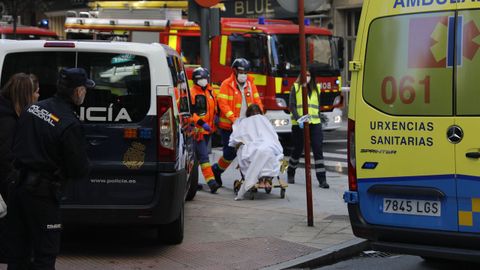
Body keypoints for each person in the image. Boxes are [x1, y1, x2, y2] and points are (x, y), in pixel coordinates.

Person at [7, 68, 93, 270]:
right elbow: (78, 169)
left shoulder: (33, 109)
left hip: (17, 188)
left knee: (18, 252)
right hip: (43, 196)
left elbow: (15, 145)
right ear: (78, 91)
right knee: (45, 253)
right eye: (84, 90)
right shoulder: (69, 124)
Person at [0, 73, 39, 263]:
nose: (38, 96)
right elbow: (6, 159)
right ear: (25, 95)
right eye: (36, 92)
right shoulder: (7, 120)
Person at [211, 58, 264, 186]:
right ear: (235, 71)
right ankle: (217, 170)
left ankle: (246, 179)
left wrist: (260, 116)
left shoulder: (250, 84)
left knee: (246, 153)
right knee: (229, 154)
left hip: (248, 126)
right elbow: (223, 104)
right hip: (230, 127)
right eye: (241, 71)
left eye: (246, 72)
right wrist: (233, 119)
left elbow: (257, 101)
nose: (243, 74)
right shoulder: (226, 84)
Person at [229, 104, 283, 200]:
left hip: (261, 145)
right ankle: (265, 179)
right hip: (261, 145)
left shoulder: (250, 122)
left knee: (263, 152)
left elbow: (236, 138)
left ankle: (264, 179)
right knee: (265, 152)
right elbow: (272, 135)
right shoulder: (258, 121)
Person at [287, 70, 329, 189]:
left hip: (315, 123)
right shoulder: (296, 87)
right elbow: (292, 105)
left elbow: (317, 106)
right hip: (299, 124)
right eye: (305, 75)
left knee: (317, 148)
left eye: (309, 75)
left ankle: (322, 179)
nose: (307, 77)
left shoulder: (317, 88)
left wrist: (320, 117)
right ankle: (291, 172)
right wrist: (298, 119)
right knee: (298, 149)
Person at [190, 67, 220, 193]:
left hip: (209, 130)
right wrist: (202, 123)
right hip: (198, 131)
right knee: (203, 157)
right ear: (195, 80)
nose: (202, 80)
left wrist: (217, 116)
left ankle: (193, 182)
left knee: (195, 157)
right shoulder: (192, 93)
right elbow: (191, 113)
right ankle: (212, 182)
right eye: (199, 79)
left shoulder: (210, 91)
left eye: (204, 78)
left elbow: (214, 107)